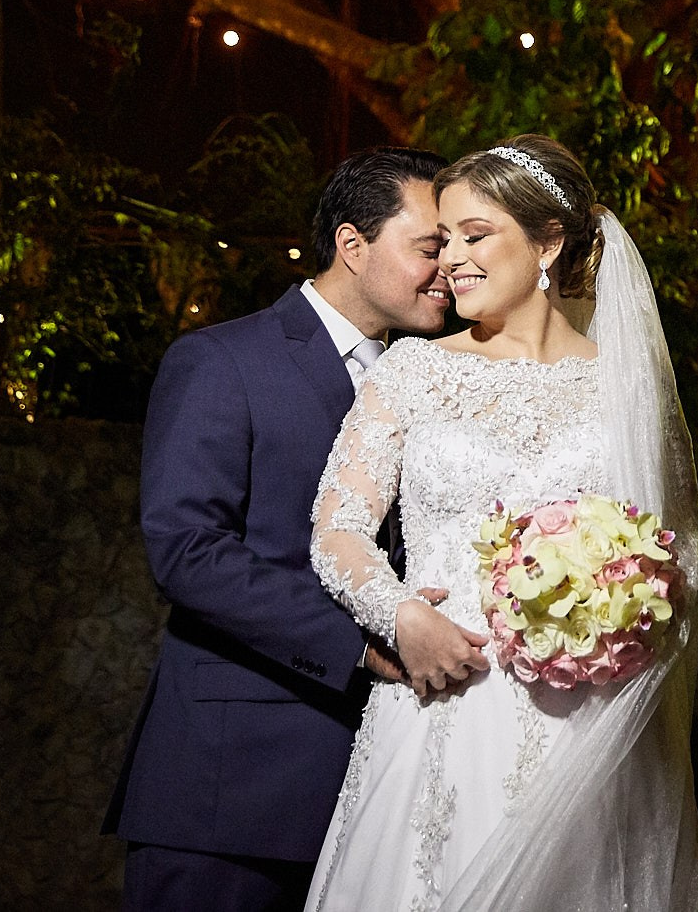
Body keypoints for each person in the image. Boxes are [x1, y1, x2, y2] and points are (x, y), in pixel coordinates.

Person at [305, 135, 698, 911]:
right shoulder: (414, 369)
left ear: (548, 243)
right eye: (443, 238)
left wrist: (618, 614)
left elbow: (680, 551)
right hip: (443, 702)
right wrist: (402, 616)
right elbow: (338, 527)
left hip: (586, 718)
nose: (451, 259)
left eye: (475, 234)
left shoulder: (624, 386)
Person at [105, 147, 453, 911]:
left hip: (381, 794)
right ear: (353, 243)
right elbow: (188, 551)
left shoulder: (433, 383)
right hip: (232, 789)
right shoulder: (220, 360)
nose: (448, 269)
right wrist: (361, 640)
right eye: (431, 246)